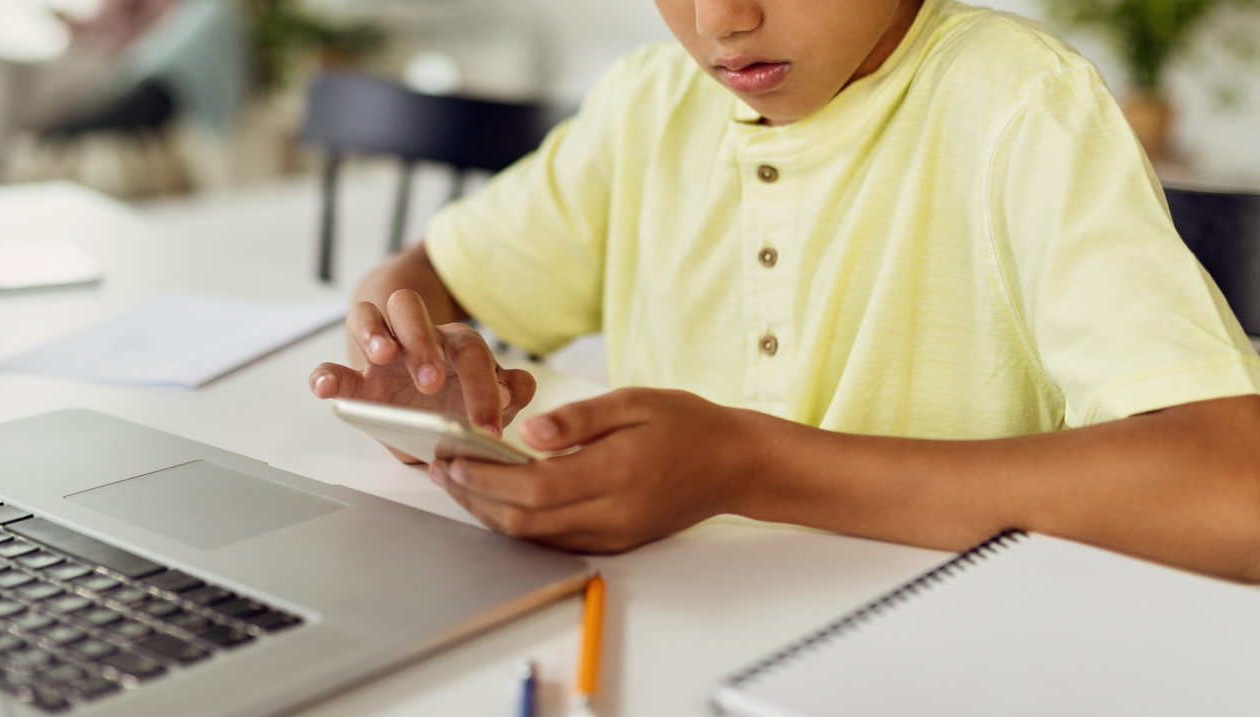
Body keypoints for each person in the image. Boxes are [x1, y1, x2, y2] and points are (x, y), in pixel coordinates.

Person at [309, 0, 1260, 582]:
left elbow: (1234, 493)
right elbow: (425, 275)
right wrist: (417, 361)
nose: (720, 19)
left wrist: (749, 466)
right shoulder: (648, 102)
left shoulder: (1022, 103)